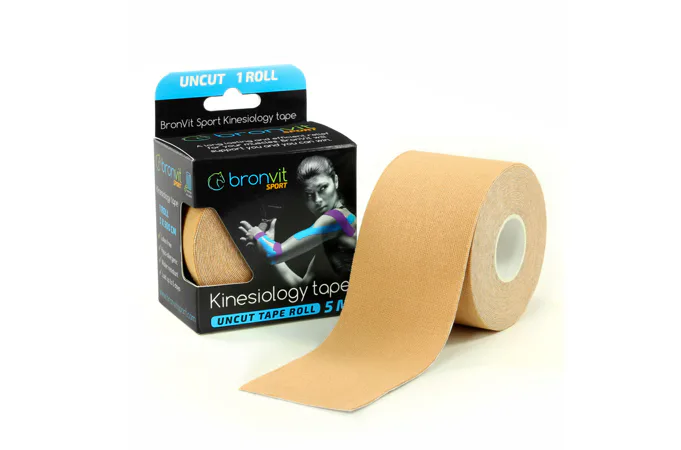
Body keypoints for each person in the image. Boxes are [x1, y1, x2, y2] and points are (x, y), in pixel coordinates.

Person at [239, 155, 356, 287]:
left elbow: (274, 253)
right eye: (309, 194)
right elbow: (304, 288)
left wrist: (257, 234)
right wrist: (265, 244)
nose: (317, 200)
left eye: (323, 188)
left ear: (335, 180)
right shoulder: (330, 238)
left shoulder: (337, 218)